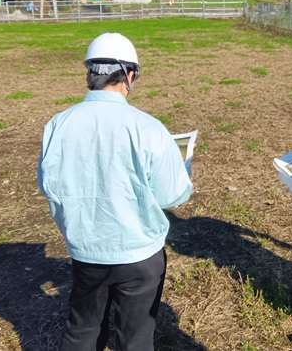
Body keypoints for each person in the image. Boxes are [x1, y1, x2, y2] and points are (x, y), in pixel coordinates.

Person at [38, 32, 193, 351]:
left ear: (89, 73)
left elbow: (48, 185)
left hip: (85, 249)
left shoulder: (59, 124)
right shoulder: (148, 127)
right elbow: (172, 196)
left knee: (82, 329)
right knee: (135, 336)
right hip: (139, 251)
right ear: (130, 75)